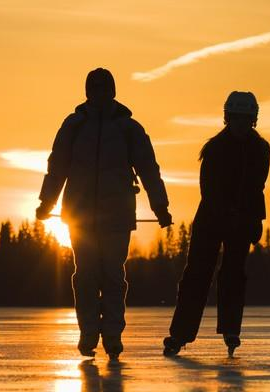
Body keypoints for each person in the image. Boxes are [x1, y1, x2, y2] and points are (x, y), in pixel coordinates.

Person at [36, 68, 172, 360]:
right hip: (80, 215)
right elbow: (56, 167)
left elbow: (149, 169)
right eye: (94, 88)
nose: (98, 93)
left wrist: (160, 206)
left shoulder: (129, 129)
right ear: (87, 91)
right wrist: (46, 202)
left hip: (117, 215)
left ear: (112, 91)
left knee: (112, 275)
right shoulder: (73, 126)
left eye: (103, 88)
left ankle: (111, 333)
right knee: (85, 275)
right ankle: (88, 331)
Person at [163, 91, 270, 357]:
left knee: (234, 274)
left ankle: (231, 328)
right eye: (236, 119)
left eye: (245, 119)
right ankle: (180, 333)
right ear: (227, 118)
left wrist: (255, 218)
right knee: (197, 274)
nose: (241, 124)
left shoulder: (261, 149)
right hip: (211, 219)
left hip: (243, 220)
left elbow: (257, 186)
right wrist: (226, 212)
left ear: (253, 120)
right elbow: (208, 189)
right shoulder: (214, 148)